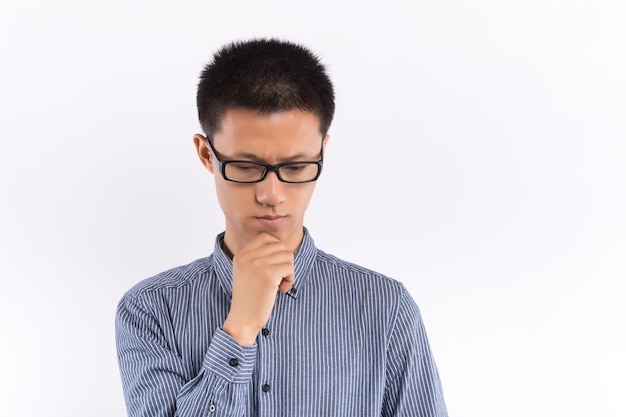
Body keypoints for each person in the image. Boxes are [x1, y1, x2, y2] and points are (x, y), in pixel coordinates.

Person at [115, 37, 448, 417]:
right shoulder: (151, 310)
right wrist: (239, 327)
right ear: (207, 154)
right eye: (246, 166)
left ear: (322, 152)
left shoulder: (385, 308)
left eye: (295, 167)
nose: (271, 194)